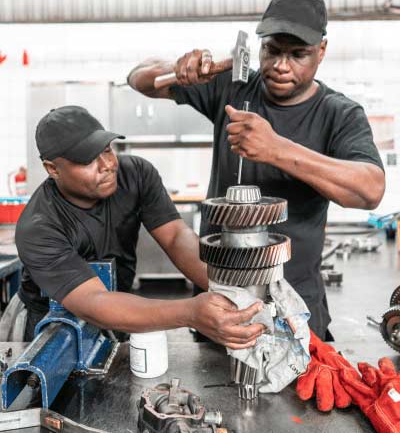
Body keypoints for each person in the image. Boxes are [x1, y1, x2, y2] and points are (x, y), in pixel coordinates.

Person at [127, 0, 385, 340]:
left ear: (321, 51)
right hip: (221, 305)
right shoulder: (232, 87)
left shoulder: (338, 114)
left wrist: (276, 149)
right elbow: (140, 78)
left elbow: (370, 190)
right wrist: (178, 68)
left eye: (298, 54)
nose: (281, 65)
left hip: (294, 309)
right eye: (272, 51)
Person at [15, 105, 265, 345]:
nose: (108, 165)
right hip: (53, 324)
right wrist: (190, 312)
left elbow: (175, 236)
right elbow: (93, 301)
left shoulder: (134, 174)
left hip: (119, 309)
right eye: (87, 159)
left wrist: (233, 288)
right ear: (53, 169)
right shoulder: (39, 227)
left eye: (106, 150)